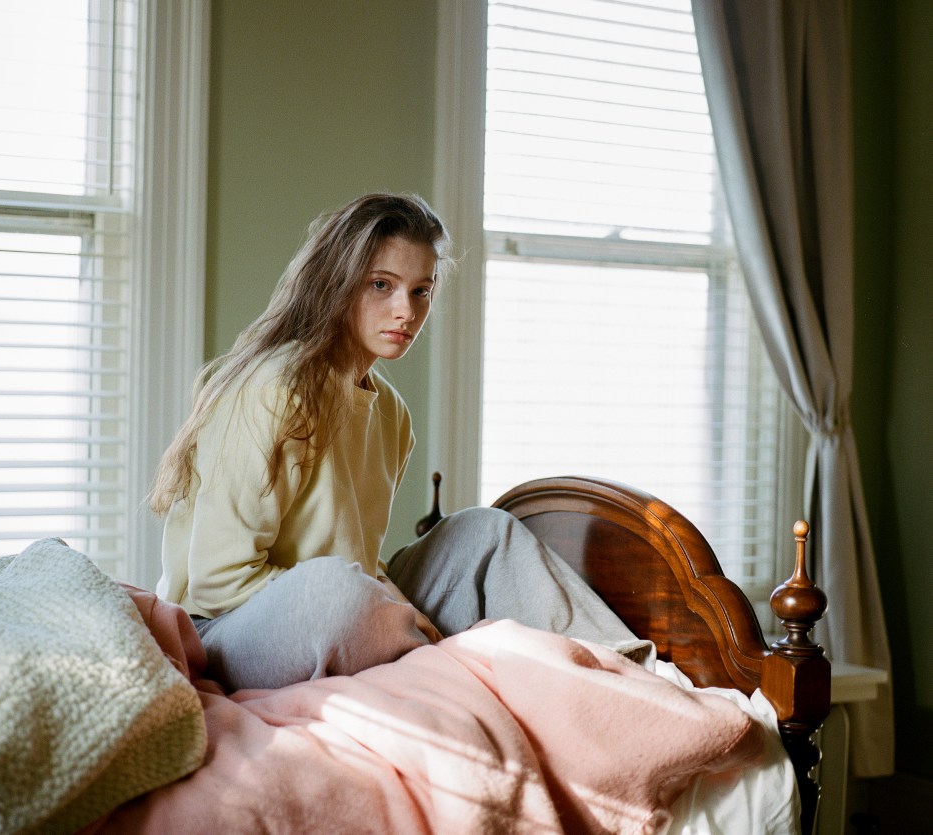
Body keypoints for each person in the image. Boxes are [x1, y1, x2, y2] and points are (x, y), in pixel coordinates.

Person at [150, 192, 650, 692]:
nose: (404, 311)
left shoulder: (391, 414)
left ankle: (626, 671)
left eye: (420, 291)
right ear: (337, 284)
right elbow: (218, 583)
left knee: (483, 531)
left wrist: (389, 600)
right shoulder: (271, 390)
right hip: (224, 631)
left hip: (342, 603)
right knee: (337, 588)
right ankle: (437, 657)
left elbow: (362, 561)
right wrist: (383, 608)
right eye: (381, 285)